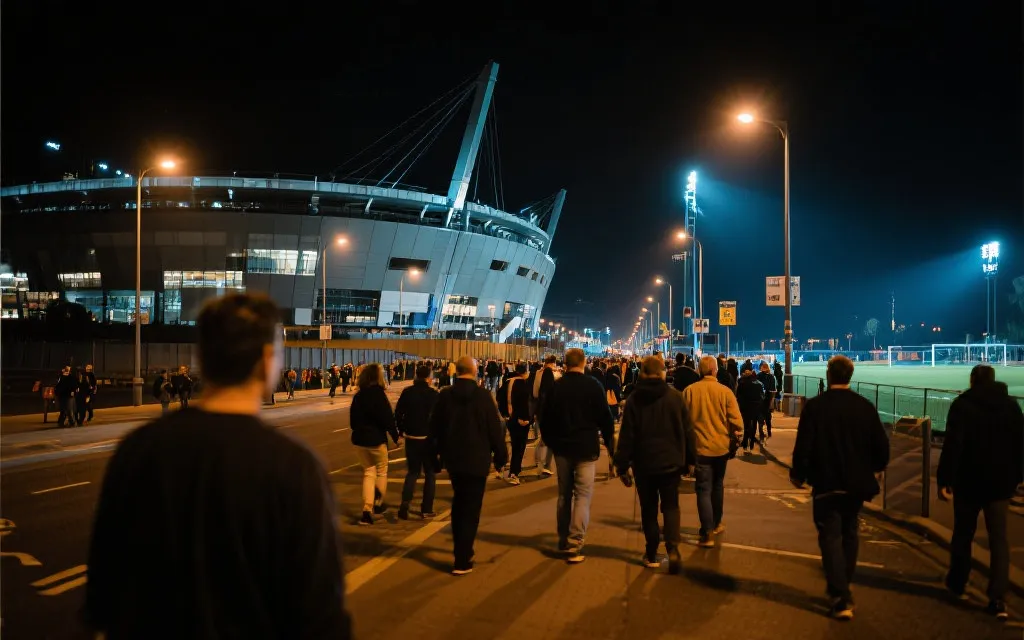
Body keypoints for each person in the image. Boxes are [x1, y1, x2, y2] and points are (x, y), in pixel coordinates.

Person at [84, 293, 351, 638]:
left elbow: (103, 592)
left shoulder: (138, 449)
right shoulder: (294, 466)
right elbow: (320, 609)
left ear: (203, 358)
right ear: (267, 359)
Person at [790, 355, 889, 621]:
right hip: (856, 483)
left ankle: (840, 593)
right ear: (850, 375)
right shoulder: (864, 406)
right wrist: (877, 467)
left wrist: (798, 474)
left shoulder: (816, 407)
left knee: (830, 536)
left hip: (826, 481)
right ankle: (843, 582)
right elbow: (881, 446)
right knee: (850, 532)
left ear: (829, 375)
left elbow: (804, 445)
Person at [937, 364, 1023, 621]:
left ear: (973, 380)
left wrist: (945, 479)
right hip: (1000, 483)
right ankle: (998, 598)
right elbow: (1020, 444)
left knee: (963, 533)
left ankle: (958, 583)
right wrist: (1017, 477)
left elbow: (953, 445)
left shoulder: (962, 405)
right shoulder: (1011, 406)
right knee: (999, 539)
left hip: (969, 481)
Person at [614, 356, 695, 575]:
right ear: (663, 373)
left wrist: (621, 466)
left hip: (644, 464)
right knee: (670, 506)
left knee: (648, 510)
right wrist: (690, 460)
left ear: (641, 374)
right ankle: (673, 549)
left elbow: (627, 436)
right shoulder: (676, 398)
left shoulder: (634, 400)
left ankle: (651, 553)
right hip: (671, 463)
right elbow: (688, 432)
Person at [430, 356, 507, 575]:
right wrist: (501, 457)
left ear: (457, 371)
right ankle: (464, 556)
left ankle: (459, 553)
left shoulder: (445, 396)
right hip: (478, 459)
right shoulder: (483, 396)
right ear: (475, 372)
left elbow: (434, 428)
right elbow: (495, 429)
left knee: (459, 502)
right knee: (471, 508)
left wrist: (433, 457)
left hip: (454, 459)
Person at [540, 348, 615, 564]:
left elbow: (545, 419)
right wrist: (611, 446)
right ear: (583, 364)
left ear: (565, 364)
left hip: (562, 450)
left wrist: (552, 443)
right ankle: (576, 540)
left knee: (564, 495)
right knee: (583, 495)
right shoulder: (593, 386)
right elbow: (605, 419)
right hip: (586, 449)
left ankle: (563, 538)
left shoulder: (557, 387)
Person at [682, 356, 743, 548]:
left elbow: (682, 422)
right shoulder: (725, 392)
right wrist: (735, 440)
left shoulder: (689, 392)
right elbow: (738, 423)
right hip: (721, 448)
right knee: (717, 486)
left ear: (700, 371)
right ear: (715, 370)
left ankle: (706, 531)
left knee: (703, 489)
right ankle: (716, 523)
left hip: (699, 449)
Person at [350, 363, 401, 525]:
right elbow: (387, 419)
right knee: (381, 471)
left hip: (359, 441)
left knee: (368, 472)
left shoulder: (358, 396)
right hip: (376, 440)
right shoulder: (379, 395)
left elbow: (352, 422)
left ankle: (366, 509)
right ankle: (378, 504)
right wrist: (396, 437)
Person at [396, 364, 440, 520]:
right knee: (430, 474)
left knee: (413, 472)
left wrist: (402, 430)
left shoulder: (407, 392)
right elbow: (439, 418)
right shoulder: (433, 394)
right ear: (429, 377)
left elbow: (398, 412)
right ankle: (426, 508)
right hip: (428, 439)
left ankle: (405, 503)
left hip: (412, 438)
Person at [504, 363, 533, 485]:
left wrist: (505, 414)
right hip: (521, 420)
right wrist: (527, 419)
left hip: (509, 418)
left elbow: (500, 399)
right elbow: (525, 403)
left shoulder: (507, 382)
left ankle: (514, 469)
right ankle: (514, 472)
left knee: (514, 444)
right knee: (519, 447)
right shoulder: (524, 385)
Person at [532, 355, 558, 476]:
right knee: (550, 438)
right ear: (553, 363)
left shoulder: (538, 373)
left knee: (542, 437)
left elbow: (535, 392)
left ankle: (538, 461)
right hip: (548, 409)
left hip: (538, 407)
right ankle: (546, 465)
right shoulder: (550, 373)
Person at [736, 368, 765, 453]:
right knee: (754, 424)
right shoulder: (758, 385)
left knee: (746, 425)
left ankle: (745, 443)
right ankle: (751, 442)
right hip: (756, 407)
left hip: (745, 407)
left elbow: (738, 396)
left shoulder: (742, 384)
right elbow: (762, 397)